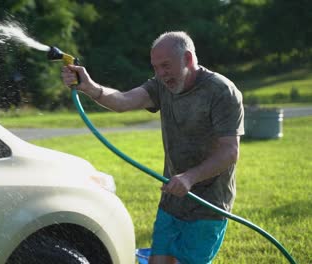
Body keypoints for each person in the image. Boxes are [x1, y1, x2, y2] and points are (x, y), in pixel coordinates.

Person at [61, 31, 244, 264]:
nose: (160, 74)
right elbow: (123, 101)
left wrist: (189, 177)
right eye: (156, 67)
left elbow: (230, 151)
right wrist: (89, 87)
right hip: (172, 200)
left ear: (188, 59)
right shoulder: (161, 85)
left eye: (166, 66)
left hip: (208, 205)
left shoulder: (222, 92)